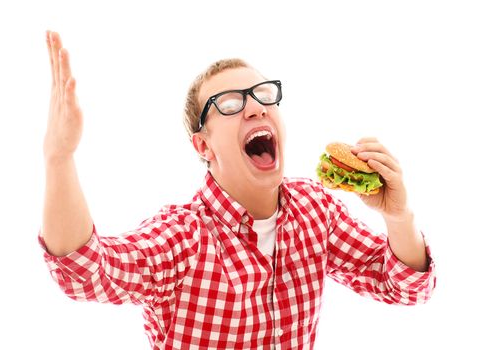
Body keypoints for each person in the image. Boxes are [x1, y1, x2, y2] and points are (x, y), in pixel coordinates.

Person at [39, 30, 436, 349]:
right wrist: (59, 158)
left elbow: (406, 288)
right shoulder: (184, 237)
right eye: (229, 103)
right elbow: (85, 272)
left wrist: (397, 216)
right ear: (204, 147)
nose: (256, 107)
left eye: (264, 95)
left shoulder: (315, 210)